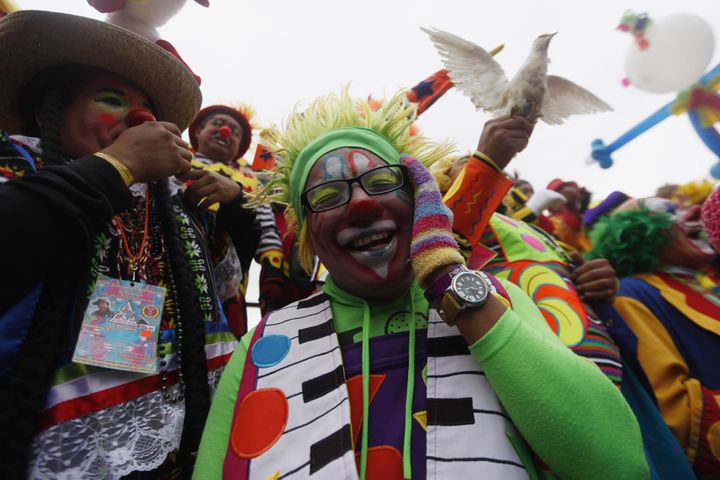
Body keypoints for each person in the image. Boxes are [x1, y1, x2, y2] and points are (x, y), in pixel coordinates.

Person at [194, 89, 648, 479]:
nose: (360, 205)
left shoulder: (499, 300)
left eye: (381, 180)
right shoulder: (262, 346)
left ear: (419, 196)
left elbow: (618, 465)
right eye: (327, 196)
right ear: (309, 234)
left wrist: (448, 277)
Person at [0, 10, 243, 479]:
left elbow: (231, 283)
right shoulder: (16, 162)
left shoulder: (174, 198)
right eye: (111, 99)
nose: (139, 117)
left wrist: (230, 208)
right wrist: (117, 165)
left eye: (146, 109)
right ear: (48, 110)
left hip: (189, 440)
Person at [589, 199, 720, 477]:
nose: (693, 210)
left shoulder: (703, 285)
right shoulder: (633, 293)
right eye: (671, 212)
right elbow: (679, 419)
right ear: (640, 233)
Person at [187, 104, 277, 336]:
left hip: (229, 286)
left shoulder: (249, 180)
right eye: (217, 124)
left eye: (235, 132)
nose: (225, 131)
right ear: (197, 131)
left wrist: (272, 257)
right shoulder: (178, 158)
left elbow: (265, 221)